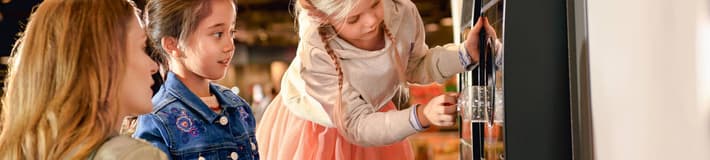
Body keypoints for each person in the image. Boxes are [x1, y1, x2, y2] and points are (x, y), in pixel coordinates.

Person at [255, 0, 497, 159]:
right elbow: (357, 125)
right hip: (318, 127)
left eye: (374, 3)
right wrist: (421, 116)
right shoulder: (316, 53)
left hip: (375, 117)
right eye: (353, 18)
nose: (371, 21)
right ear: (325, 18)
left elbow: (415, 65)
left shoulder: (401, 11)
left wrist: (465, 54)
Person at [0, 0, 165, 159]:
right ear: (103, 60)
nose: (153, 66)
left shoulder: (22, 150)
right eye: (143, 47)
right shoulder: (133, 156)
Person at [133, 0, 260, 159]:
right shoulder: (158, 119)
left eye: (231, 32)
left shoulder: (240, 108)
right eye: (218, 34)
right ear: (173, 45)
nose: (230, 45)